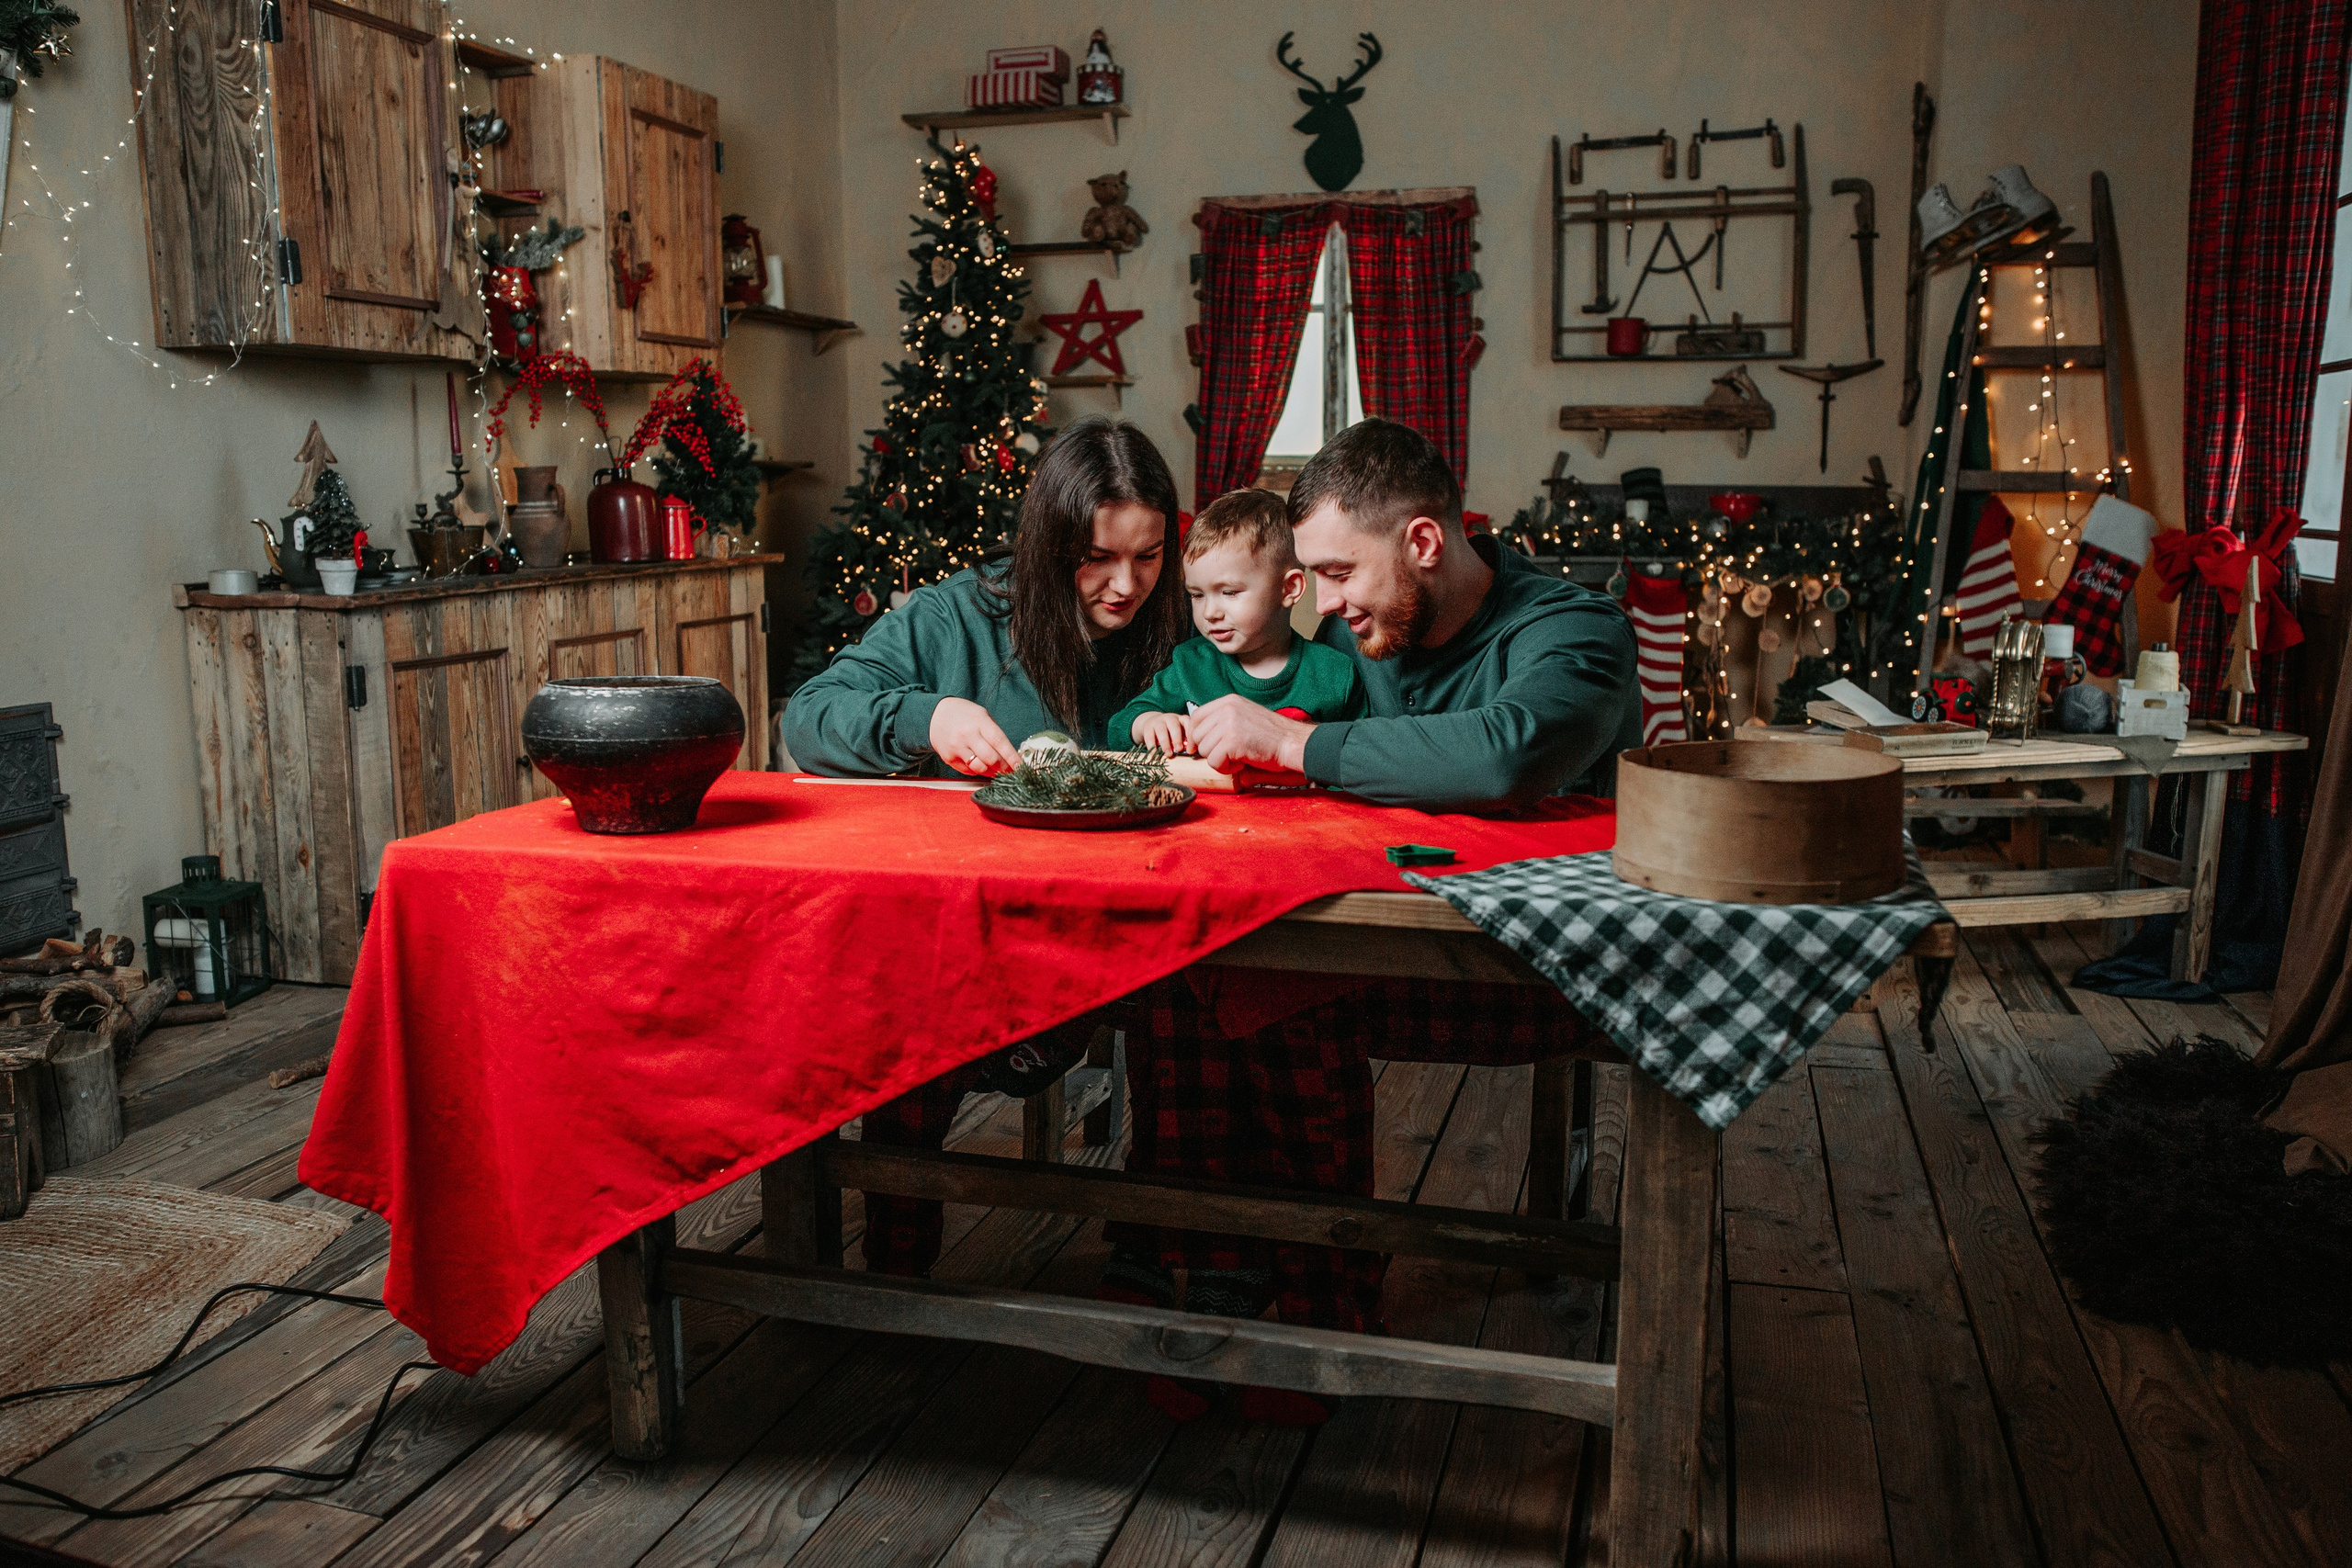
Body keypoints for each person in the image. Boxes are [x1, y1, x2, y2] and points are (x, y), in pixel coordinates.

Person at [1099, 418, 1642, 1427]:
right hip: (1360, 937)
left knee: (1283, 991)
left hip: (1525, 968)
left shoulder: (1575, 631)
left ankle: (1319, 1305)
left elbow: (1502, 755)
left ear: (1426, 544)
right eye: (1313, 576)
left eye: (1341, 574)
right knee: (1200, 965)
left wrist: (1297, 745)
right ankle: (1194, 1266)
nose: (1330, 605)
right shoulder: (1358, 640)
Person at [781, 416, 1188, 1274]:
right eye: (1097, 558)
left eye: (1148, 556)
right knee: (906, 988)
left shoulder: (1185, 619)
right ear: (1047, 545)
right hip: (986, 938)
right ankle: (897, 1272)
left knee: (1206, 999)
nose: (1126, 585)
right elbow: (810, 718)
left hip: (1153, 924)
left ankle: (1158, 1248)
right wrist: (924, 714)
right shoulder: (956, 615)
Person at [1108, 487, 1365, 754]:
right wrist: (1148, 722)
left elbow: (1359, 760)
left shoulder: (1336, 674)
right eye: (1197, 595)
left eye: (1229, 592)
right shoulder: (1191, 664)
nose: (1210, 613)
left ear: (1289, 589)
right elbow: (1119, 727)